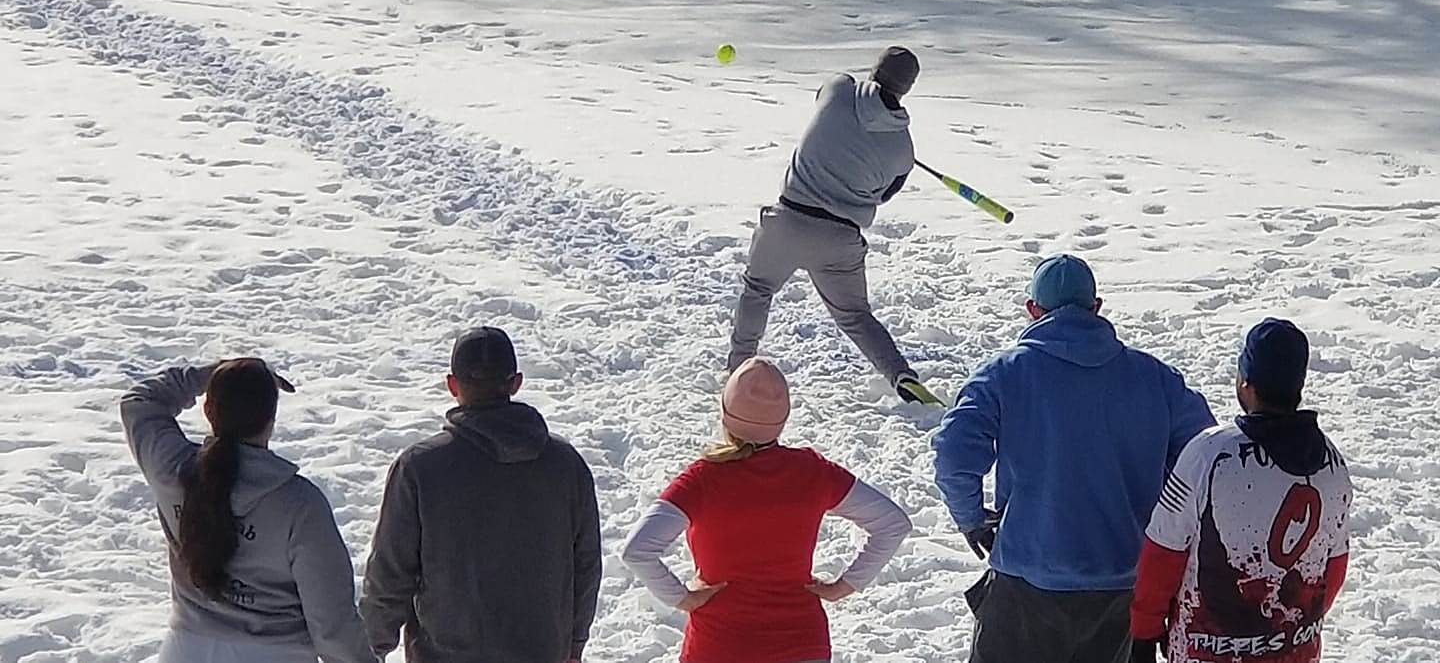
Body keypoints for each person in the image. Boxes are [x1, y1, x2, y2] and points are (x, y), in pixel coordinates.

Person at [932, 253, 1217, 663]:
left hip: (1027, 578)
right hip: (1125, 581)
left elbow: (952, 452)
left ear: (1032, 311)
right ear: (1096, 307)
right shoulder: (1156, 379)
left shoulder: (1004, 375)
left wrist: (972, 519)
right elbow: (1203, 457)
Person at [621, 357, 913, 663]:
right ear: (782, 418)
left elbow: (637, 551)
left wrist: (682, 597)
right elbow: (892, 523)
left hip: (719, 646)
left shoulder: (703, 479)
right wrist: (844, 586)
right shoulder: (812, 471)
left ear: (725, 415)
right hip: (803, 643)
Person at [361, 326, 601, 663]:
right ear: (515, 383)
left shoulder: (419, 468)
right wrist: (574, 644)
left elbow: (390, 574)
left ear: (452, 384)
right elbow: (586, 563)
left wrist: (370, 648)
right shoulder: (566, 465)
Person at [120, 358, 377, 663]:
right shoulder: (300, 505)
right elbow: (332, 626)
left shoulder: (171, 468)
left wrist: (208, 375)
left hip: (185, 650)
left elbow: (141, 401)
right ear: (271, 419)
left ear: (207, 410)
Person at [725, 46, 939, 404]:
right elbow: (883, 195)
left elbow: (823, 99)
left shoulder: (839, 89)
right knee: (856, 316)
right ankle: (902, 376)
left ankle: (737, 372)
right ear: (908, 88)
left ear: (875, 70)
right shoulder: (903, 150)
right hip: (839, 240)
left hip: (786, 222)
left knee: (758, 289)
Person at [1130, 319, 1352, 663]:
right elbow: (1334, 568)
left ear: (1246, 381)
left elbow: (1163, 553)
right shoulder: (1332, 463)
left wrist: (1144, 631)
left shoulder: (1207, 454)